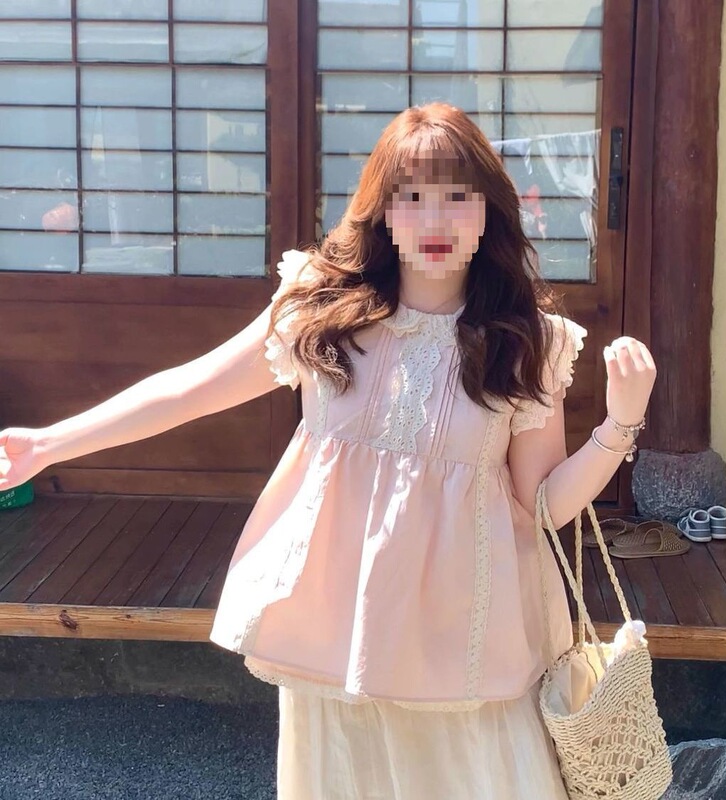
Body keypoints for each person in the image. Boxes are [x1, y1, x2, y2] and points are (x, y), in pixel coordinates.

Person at [0, 103, 656, 799]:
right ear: (384, 211)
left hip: (464, 633)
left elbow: (544, 504)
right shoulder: (322, 306)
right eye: (413, 199)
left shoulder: (526, 340)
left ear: (488, 211)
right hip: (340, 625)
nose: (435, 220)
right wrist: (48, 443)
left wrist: (620, 423)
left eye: (457, 198)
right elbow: (193, 389)